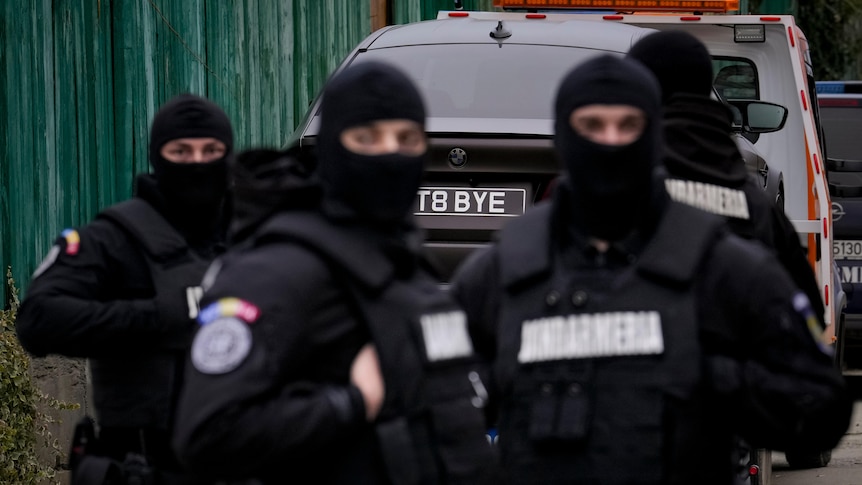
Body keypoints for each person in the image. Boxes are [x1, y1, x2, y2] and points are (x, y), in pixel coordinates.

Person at [449, 54, 852, 485]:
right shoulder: (499, 271)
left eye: (628, 126)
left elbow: (821, 408)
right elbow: (426, 416)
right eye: (592, 126)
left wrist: (712, 378)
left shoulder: (725, 268)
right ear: (565, 135)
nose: (609, 142)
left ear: (653, 134)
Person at [171, 61, 499, 484]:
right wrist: (352, 402)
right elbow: (207, 434)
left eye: (407, 138)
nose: (389, 154)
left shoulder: (405, 262)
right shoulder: (276, 271)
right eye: (367, 138)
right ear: (330, 147)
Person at [16, 93, 233, 484]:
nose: (198, 163)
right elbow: (37, 318)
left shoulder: (257, 234)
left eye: (211, 150)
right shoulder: (113, 240)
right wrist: (155, 316)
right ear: (156, 155)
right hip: (143, 461)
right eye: (181, 151)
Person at [627, 29, 827, 328]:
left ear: (637, 89)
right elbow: (809, 322)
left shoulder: (608, 194)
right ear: (705, 88)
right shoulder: (760, 210)